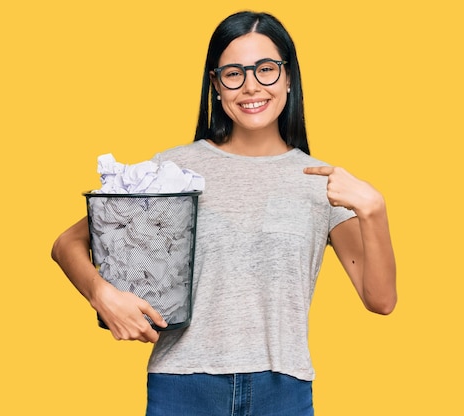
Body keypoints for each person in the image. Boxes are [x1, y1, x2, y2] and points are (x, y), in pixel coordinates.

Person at [51, 10, 397, 416]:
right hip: (183, 386)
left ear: (288, 77)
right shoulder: (174, 169)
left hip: (282, 390)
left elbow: (381, 299)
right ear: (216, 85)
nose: (251, 86)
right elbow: (67, 243)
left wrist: (374, 209)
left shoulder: (321, 181)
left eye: (266, 69)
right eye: (234, 73)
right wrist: (102, 294)